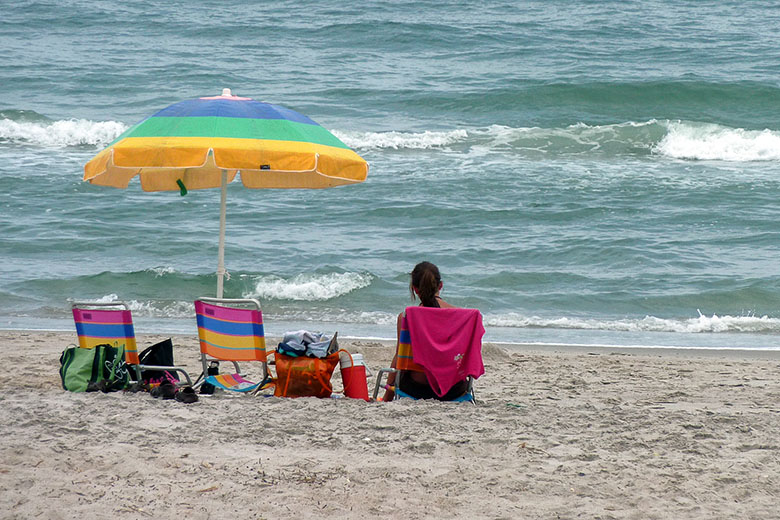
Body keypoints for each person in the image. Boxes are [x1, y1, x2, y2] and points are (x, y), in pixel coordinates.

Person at [382, 261, 470, 401]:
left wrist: (387, 397)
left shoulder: (407, 317)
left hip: (417, 389)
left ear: (415, 289)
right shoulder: (462, 317)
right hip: (454, 390)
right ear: (440, 286)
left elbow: (400, 357)